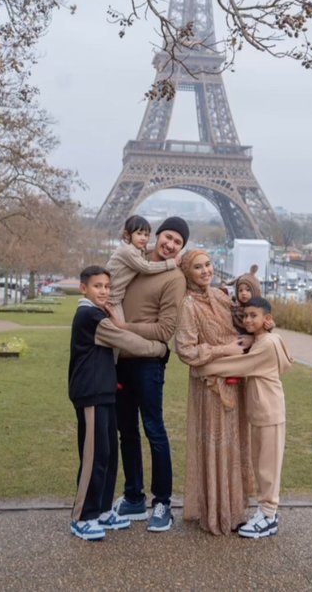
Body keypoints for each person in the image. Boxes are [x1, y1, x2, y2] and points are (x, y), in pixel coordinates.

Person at [68, 265, 168, 541]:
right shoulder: (89, 315)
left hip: (104, 391)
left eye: (107, 287)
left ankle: (100, 509)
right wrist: (160, 348)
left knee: (108, 452)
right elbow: (126, 341)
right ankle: (82, 516)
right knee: (94, 455)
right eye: (97, 286)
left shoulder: (97, 313)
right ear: (84, 288)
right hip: (91, 393)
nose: (104, 291)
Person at [110, 216, 189, 533]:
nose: (170, 245)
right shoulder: (135, 261)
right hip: (119, 360)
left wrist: (124, 328)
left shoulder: (174, 278)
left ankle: (163, 503)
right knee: (126, 431)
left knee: (154, 429)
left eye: (178, 243)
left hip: (147, 364)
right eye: (168, 237)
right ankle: (133, 497)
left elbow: (165, 330)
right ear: (157, 235)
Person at [196, 296, 294, 539]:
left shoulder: (267, 344)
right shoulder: (264, 340)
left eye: (254, 316)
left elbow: (238, 365)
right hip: (262, 411)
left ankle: (269, 516)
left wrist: (201, 367)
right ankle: (265, 511)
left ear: (267, 319)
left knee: (268, 467)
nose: (248, 320)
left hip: (269, 411)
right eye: (246, 315)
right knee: (261, 465)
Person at [174, 249, 254, 536]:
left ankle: (234, 509)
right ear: (187, 273)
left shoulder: (222, 297)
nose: (206, 270)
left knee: (234, 445)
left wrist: (248, 334)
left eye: (208, 264)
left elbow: (242, 324)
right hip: (210, 386)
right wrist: (225, 350)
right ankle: (217, 511)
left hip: (235, 380)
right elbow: (185, 350)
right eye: (198, 267)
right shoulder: (188, 305)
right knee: (216, 446)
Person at [106, 214, 181, 320]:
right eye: (139, 233)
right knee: (118, 328)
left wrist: (163, 245)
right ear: (127, 235)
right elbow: (146, 268)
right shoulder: (127, 251)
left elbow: (148, 248)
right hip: (112, 298)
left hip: (115, 296)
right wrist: (171, 263)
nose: (143, 238)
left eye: (146, 235)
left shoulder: (135, 247)